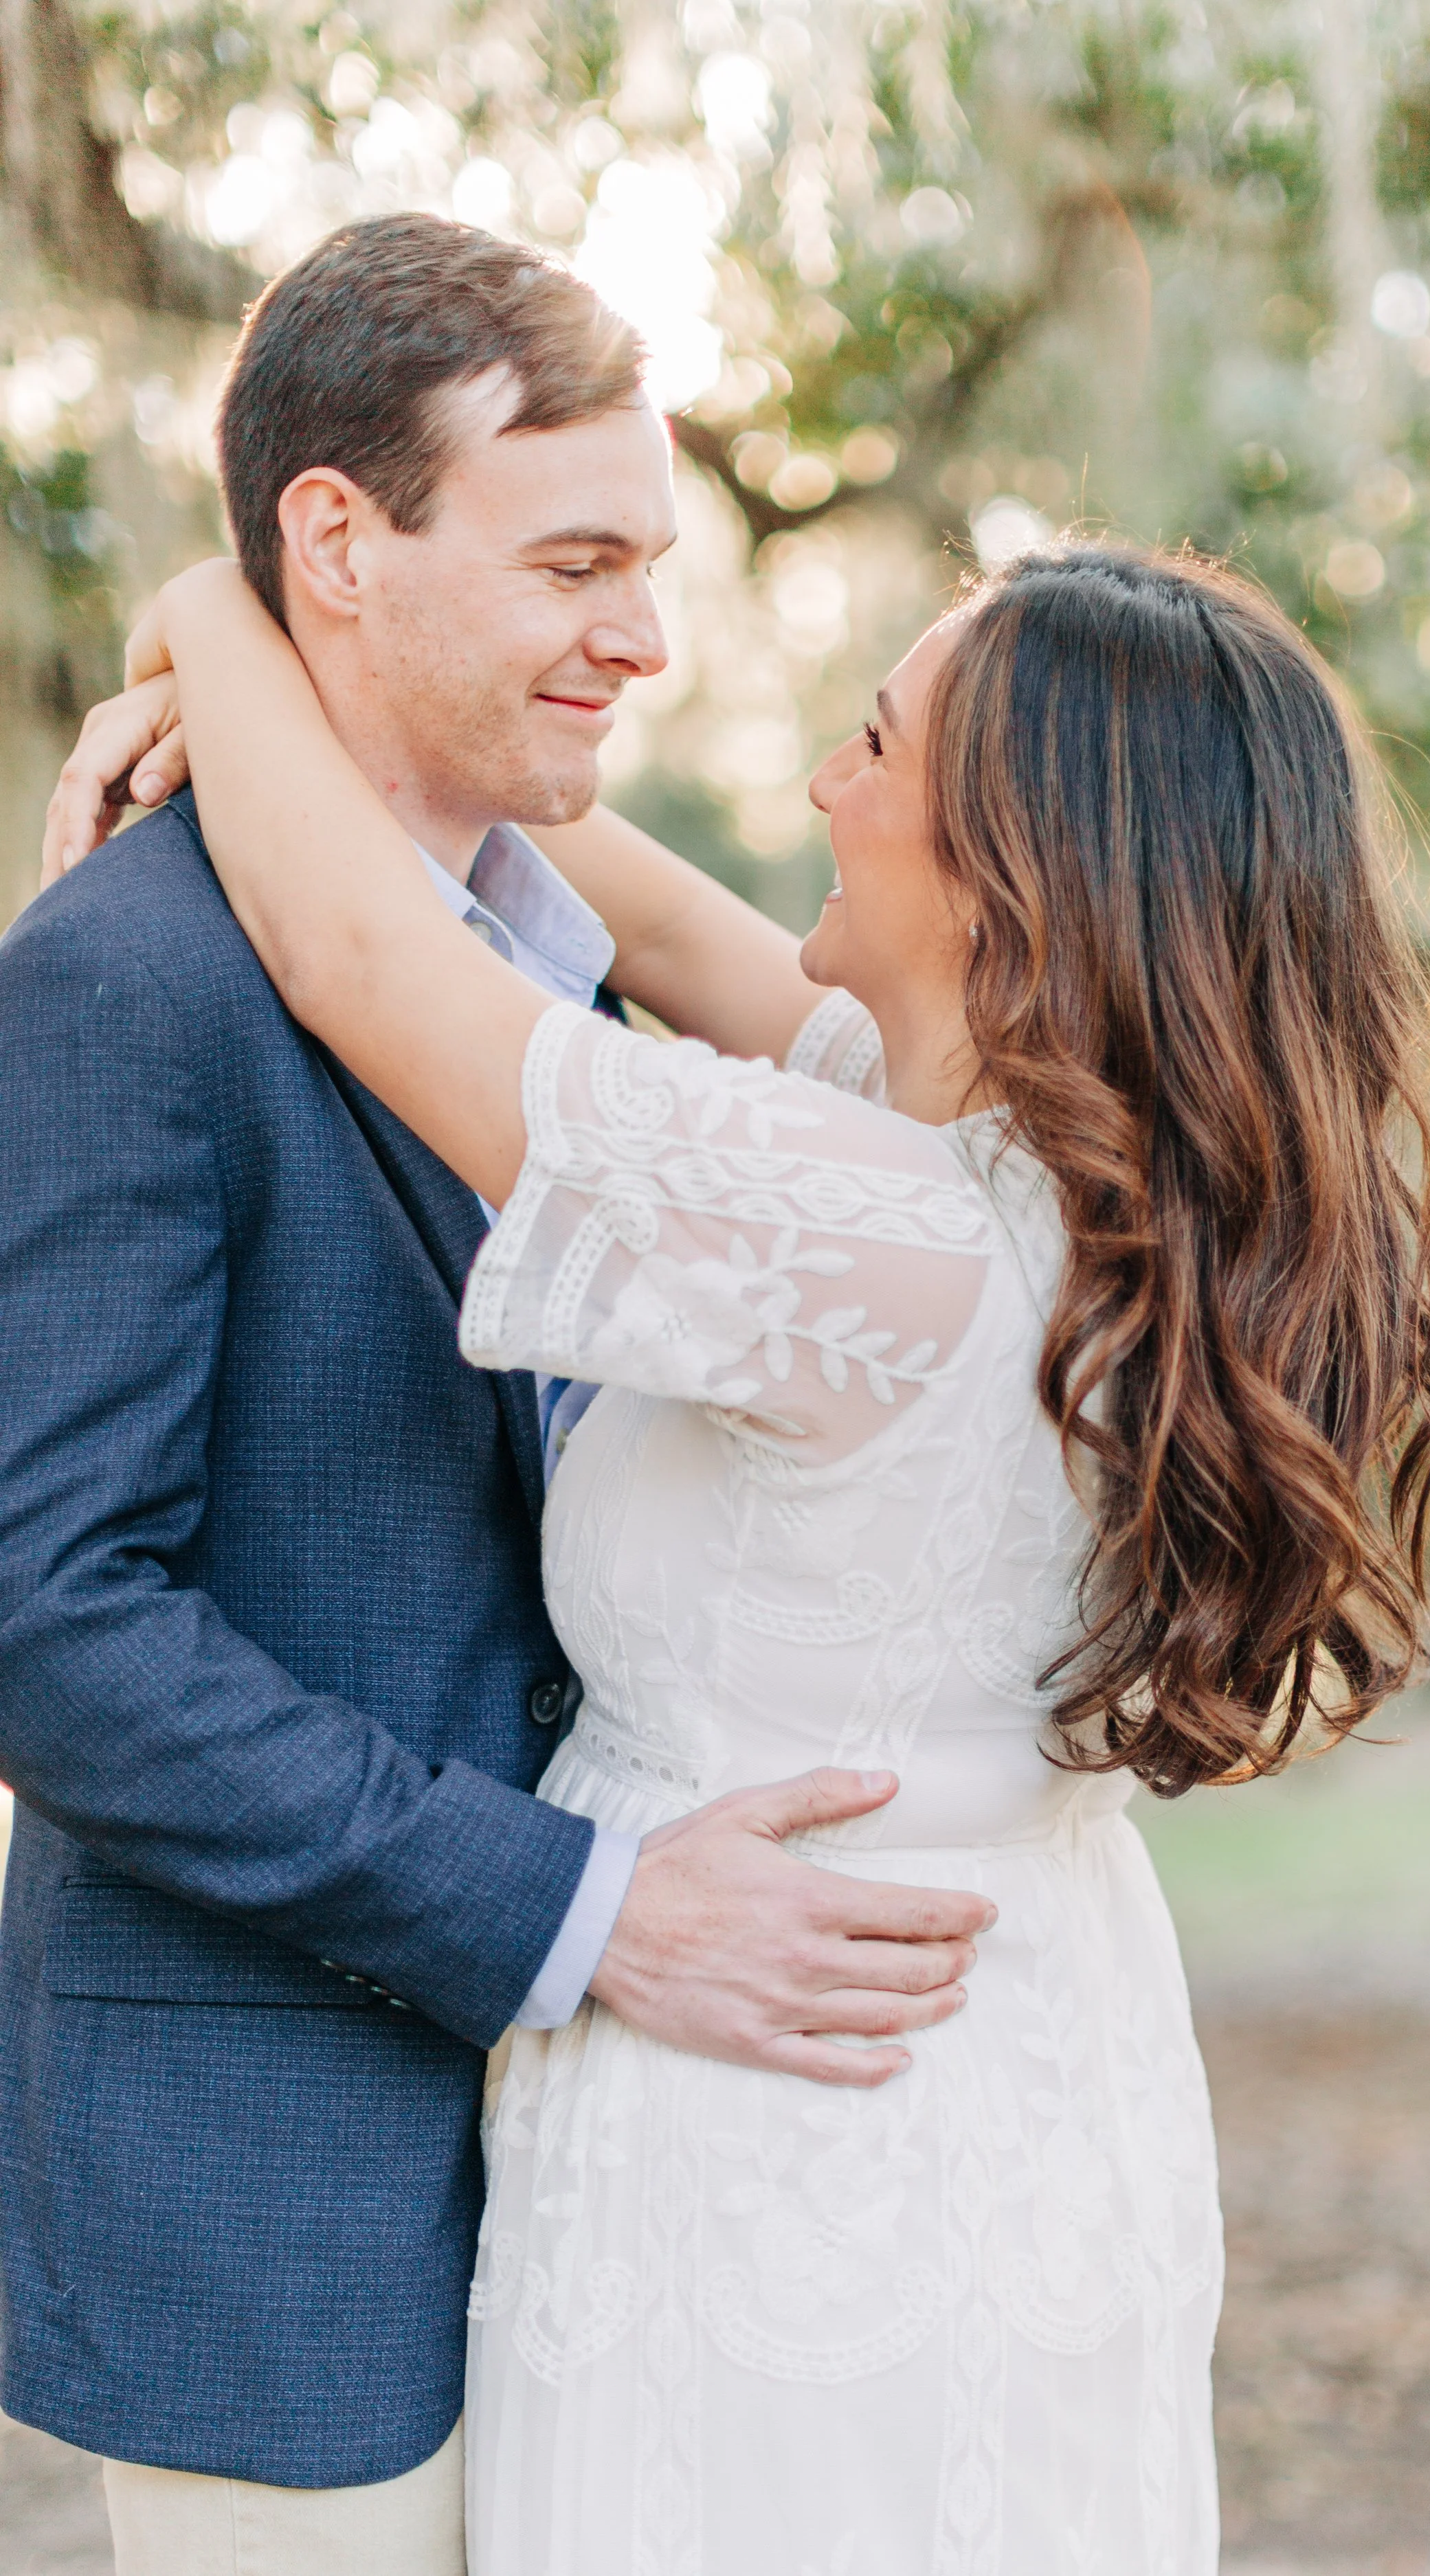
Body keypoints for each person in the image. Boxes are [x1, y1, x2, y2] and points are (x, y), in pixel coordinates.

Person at [80, 512, 1430, 2573]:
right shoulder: (1026, 1174)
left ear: (1014, 872)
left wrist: (220, 601)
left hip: (788, 2115)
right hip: (1010, 2057)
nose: (821, 783)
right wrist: (389, 694)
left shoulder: (861, 1234)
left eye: (871, 743)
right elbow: (629, 907)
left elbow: (367, 958)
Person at [0, 215, 990, 2576]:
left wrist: (196, 618)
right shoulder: (123, 974)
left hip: (650, 2194)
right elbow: (45, 1615)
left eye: (651, 559)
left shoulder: (590, 1002)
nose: (645, 632)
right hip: (279, 2196)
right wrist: (573, 1909)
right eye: (573, 561)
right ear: (334, 543)